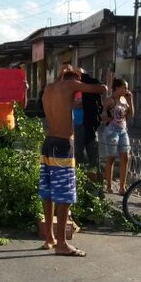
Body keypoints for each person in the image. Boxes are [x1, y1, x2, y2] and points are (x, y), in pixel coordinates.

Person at [39, 68, 108, 257]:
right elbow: (102, 88)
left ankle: (50, 238)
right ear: (75, 80)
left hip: (48, 144)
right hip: (62, 146)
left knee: (49, 193)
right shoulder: (71, 85)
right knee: (64, 196)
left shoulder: (48, 88)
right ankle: (62, 243)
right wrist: (84, 75)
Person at [101, 78, 134, 194]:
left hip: (123, 130)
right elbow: (102, 115)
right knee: (111, 157)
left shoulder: (125, 100)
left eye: (127, 87)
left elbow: (131, 115)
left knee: (125, 157)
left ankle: (122, 187)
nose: (126, 90)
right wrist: (107, 119)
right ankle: (108, 185)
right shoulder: (110, 101)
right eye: (124, 87)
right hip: (112, 131)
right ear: (117, 88)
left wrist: (130, 101)